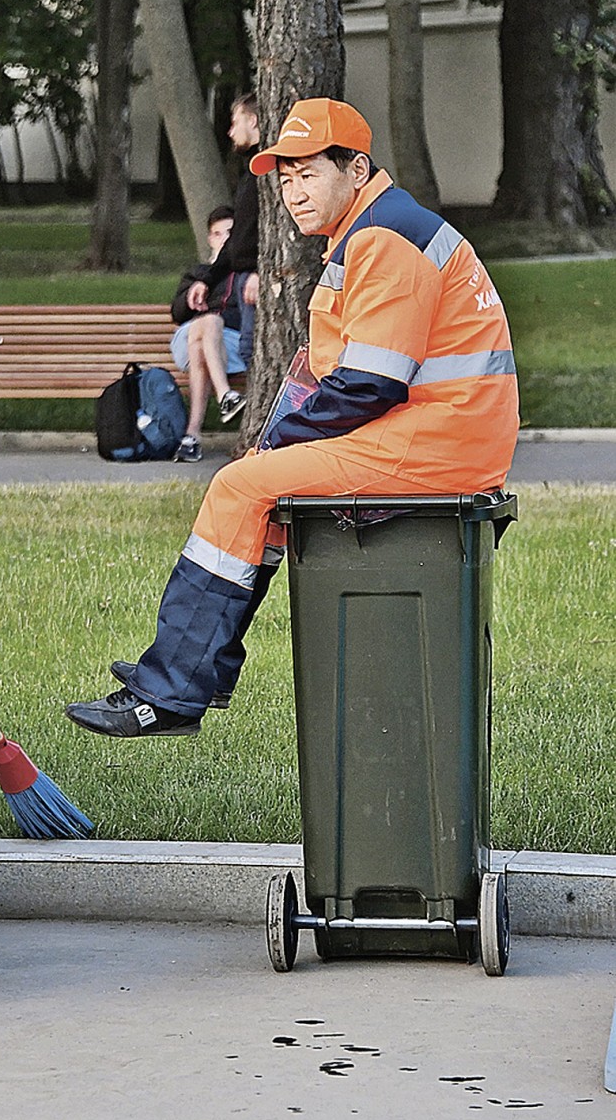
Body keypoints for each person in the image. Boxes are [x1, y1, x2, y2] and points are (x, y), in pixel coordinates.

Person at [66, 97, 519, 738]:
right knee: (254, 489)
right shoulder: (374, 229)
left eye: (309, 174)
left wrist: (277, 441)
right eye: (286, 179)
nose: (294, 193)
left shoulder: (384, 239)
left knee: (240, 485)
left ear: (356, 170)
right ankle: (189, 674)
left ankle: (173, 689)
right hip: (436, 433)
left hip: (438, 441)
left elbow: (368, 384)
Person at [185, 92, 260, 373]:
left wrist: (260, 270)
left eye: (235, 122)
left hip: (255, 280)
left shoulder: (268, 171)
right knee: (250, 350)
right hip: (242, 277)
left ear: (252, 121)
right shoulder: (250, 174)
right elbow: (238, 239)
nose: (230, 131)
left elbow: (275, 233)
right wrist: (206, 279)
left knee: (254, 351)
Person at [170, 205, 248, 463]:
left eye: (230, 233)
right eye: (218, 234)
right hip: (189, 337)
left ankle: (191, 437)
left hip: (230, 346)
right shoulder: (199, 273)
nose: (224, 239)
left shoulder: (246, 274)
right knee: (207, 324)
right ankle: (225, 394)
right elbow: (178, 313)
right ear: (210, 239)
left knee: (204, 339)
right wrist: (193, 296)